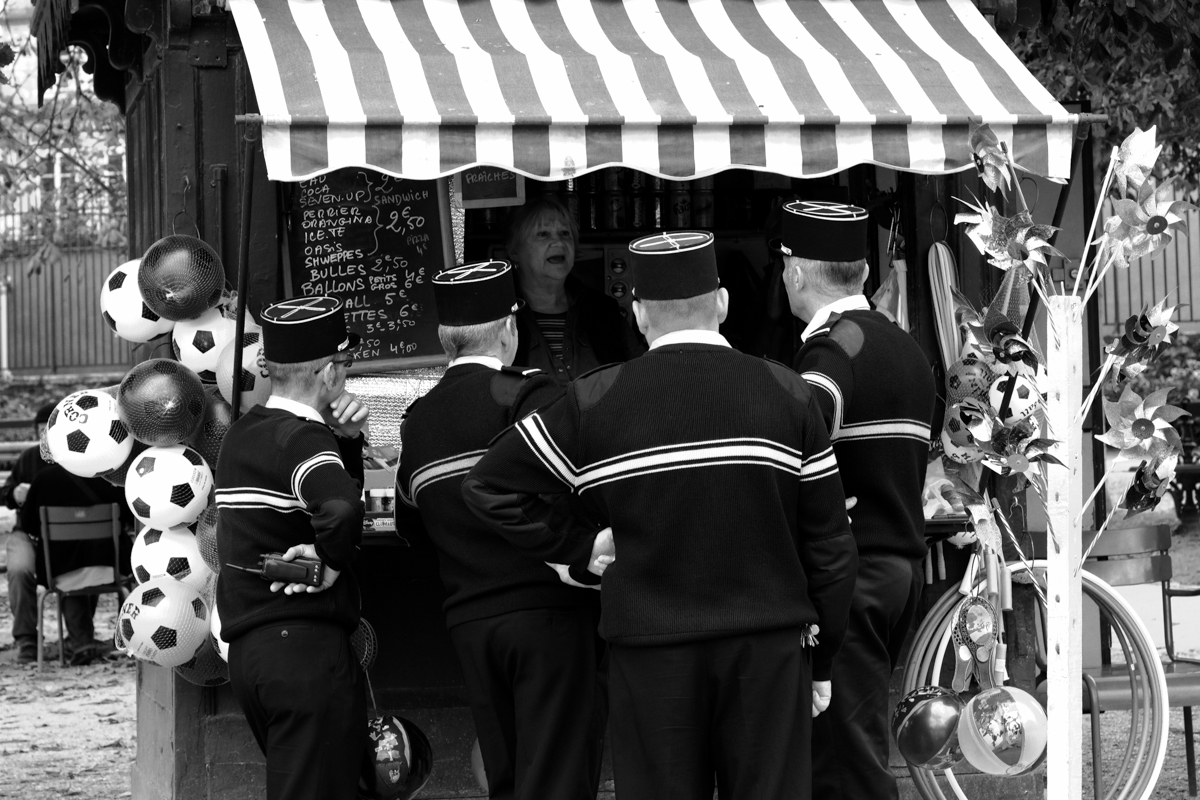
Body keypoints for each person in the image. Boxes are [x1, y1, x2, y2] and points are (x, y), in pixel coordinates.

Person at [463, 230, 859, 800]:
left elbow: (489, 485)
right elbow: (831, 546)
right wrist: (821, 661)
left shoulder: (592, 401)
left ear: (638, 313)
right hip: (768, 656)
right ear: (722, 304)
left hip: (650, 655)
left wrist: (580, 549)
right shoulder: (788, 393)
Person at [396, 260, 607, 800]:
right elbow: (583, 496)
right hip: (549, 616)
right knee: (559, 777)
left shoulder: (416, 420)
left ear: (447, 339)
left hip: (471, 623)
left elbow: (409, 525)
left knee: (507, 781)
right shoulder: (529, 396)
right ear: (512, 328)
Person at [777, 200, 936, 800]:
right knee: (858, 742)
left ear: (793, 272)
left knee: (846, 763)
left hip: (851, 574)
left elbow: (793, 445)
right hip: (899, 569)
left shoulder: (832, 353)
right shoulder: (907, 348)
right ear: (865, 273)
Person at [215, 295, 370, 800]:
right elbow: (342, 508)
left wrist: (347, 442)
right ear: (328, 372)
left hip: (252, 658)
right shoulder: (304, 439)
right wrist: (328, 562)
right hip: (303, 654)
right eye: (345, 364)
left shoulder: (241, 435)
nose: (345, 374)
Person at [3, 402, 132, 665]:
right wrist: (13, 495)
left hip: (57, 557)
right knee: (23, 568)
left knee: (67, 567)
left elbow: (30, 524)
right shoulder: (106, 472)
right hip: (107, 561)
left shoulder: (46, 479)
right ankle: (30, 639)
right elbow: (127, 521)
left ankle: (80, 640)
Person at [505, 194, 645, 384]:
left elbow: (639, 377)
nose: (558, 243)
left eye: (565, 234)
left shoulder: (603, 310)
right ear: (514, 251)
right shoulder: (499, 317)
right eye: (543, 234)